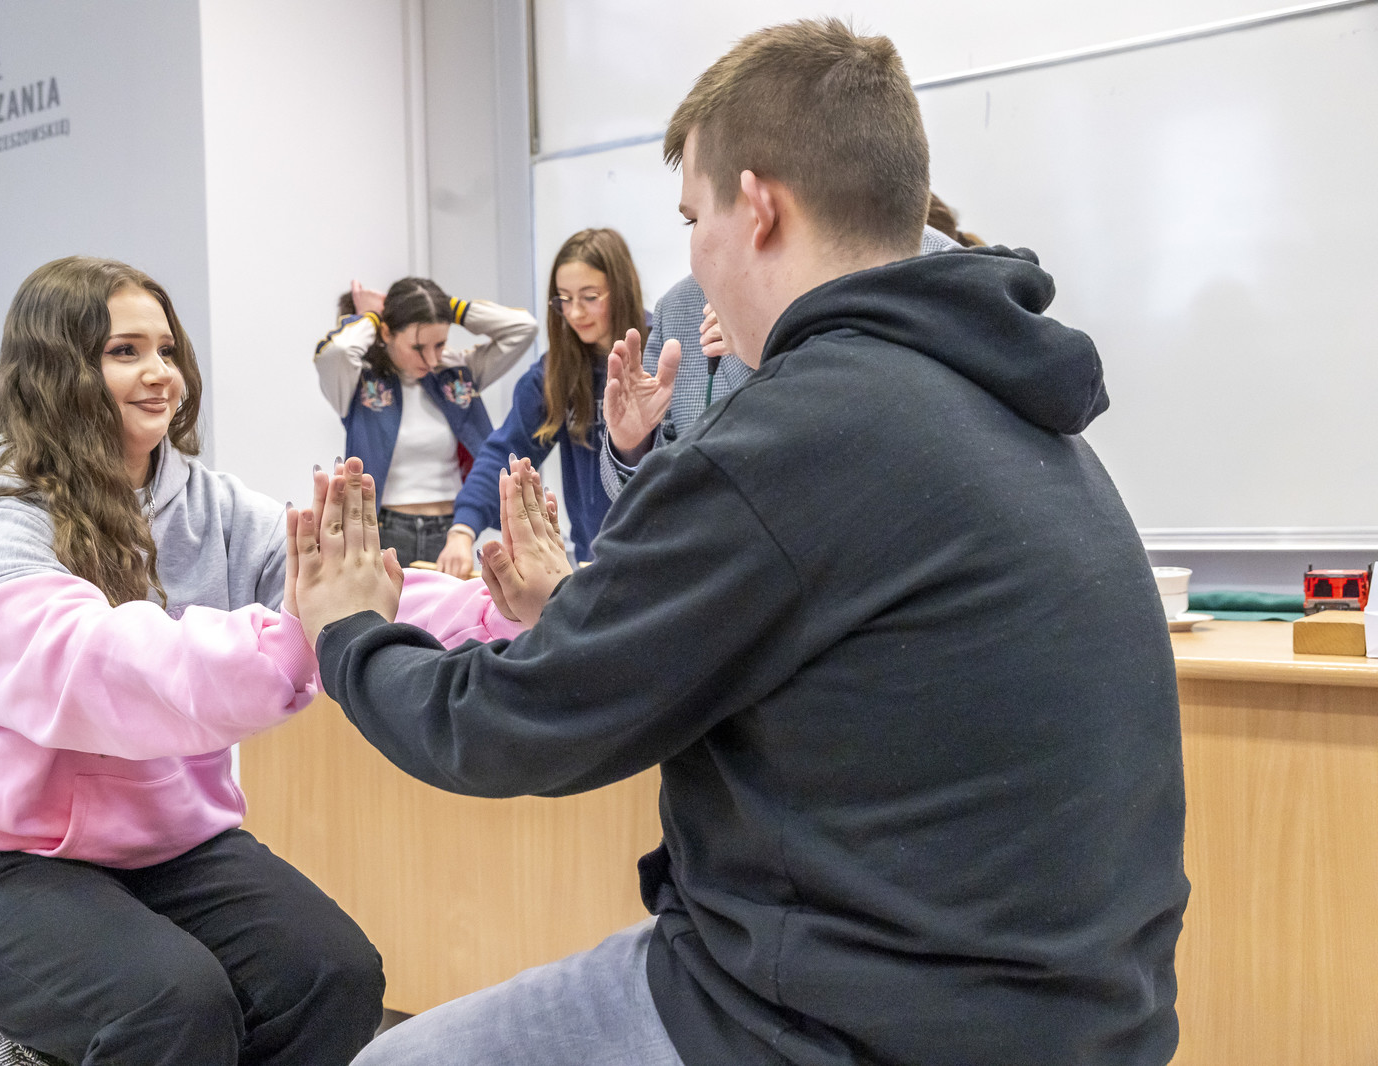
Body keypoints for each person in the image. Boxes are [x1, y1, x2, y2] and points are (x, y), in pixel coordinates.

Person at [299, 17, 1188, 1066]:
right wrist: (587, 612)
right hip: (1080, 1021)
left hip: (836, 1025)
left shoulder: (795, 434)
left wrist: (351, 632)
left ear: (758, 207)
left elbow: (503, 728)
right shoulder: (1021, 409)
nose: (693, 260)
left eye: (693, 217)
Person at [0, 257, 527, 1066]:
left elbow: (354, 587)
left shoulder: (213, 507)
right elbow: (86, 665)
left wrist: (507, 612)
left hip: (165, 848)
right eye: (125, 352)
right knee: (171, 1007)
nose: (161, 373)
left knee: (334, 976)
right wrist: (294, 638)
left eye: (167, 350)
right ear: (57, 371)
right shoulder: (2, 513)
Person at [599, 220, 961, 499]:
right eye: (692, 221)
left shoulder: (934, 264)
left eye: (697, 214)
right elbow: (648, 501)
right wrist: (633, 446)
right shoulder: (679, 307)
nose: (698, 245)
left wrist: (769, 344)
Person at [435, 228, 646, 574]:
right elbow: (507, 450)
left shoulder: (662, 349)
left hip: (665, 556)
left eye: (589, 297)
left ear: (621, 289)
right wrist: (463, 528)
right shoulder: (556, 373)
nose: (575, 312)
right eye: (564, 299)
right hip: (596, 562)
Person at [314, 277, 537, 568]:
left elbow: (524, 328)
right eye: (418, 347)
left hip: (452, 531)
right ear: (386, 333)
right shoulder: (357, 381)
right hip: (381, 530)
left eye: (440, 344)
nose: (432, 359)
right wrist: (371, 316)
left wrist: (446, 308)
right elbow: (338, 351)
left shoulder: (456, 372)